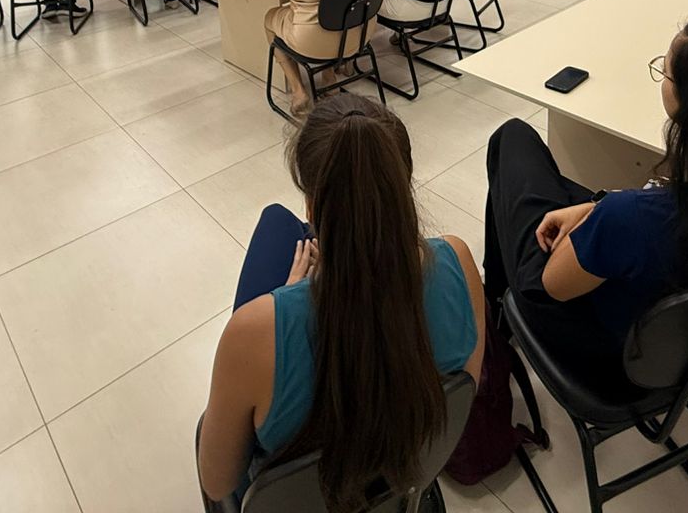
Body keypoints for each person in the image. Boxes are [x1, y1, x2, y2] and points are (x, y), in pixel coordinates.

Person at [483, 20, 688, 436]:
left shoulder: (634, 218)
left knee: (513, 139)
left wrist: (601, 217)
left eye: (667, 72)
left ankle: (493, 309)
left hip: (606, 359)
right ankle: (495, 303)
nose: (662, 78)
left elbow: (552, 286)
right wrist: (597, 207)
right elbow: (645, 215)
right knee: (568, 195)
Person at [198, 95, 484, 510]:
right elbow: (462, 395)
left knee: (277, 223)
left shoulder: (254, 333)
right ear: (402, 186)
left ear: (312, 206)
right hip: (400, 486)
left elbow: (218, 480)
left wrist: (285, 300)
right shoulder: (458, 262)